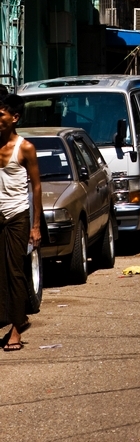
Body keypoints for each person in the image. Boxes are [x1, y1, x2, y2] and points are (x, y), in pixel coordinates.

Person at [0, 94, 42, 351]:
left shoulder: (25, 148)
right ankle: (16, 318)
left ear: (14, 118)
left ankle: (16, 330)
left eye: (0, 116)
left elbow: (37, 187)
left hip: (17, 215)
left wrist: (35, 226)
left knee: (15, 271)